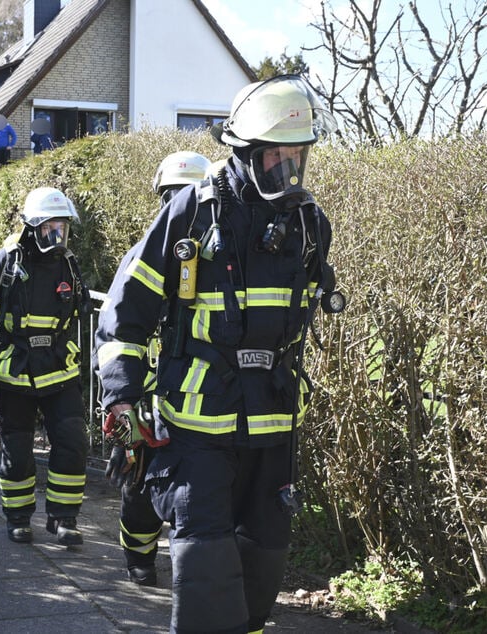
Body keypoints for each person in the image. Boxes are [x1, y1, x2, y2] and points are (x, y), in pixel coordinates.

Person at [93, 74, 341, 633]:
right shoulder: (191, 214)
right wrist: (123, 400)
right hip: (197, 429)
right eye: (275, 157)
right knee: (205, 571)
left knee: (262, 568)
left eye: (296, 158)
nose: (288, 171)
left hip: (273, 427)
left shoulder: (309, 225)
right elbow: (124, 316)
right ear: (244, 152)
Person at [102, 150, 211, 587]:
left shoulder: (223, 258)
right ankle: (139, 558)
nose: (179, 207)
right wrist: (121, 398)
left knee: (196, 489)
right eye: (172, 197)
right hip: (146, 397)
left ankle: (197, 569)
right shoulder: (141, 256)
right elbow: (116, 328)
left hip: (197, 395)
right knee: (137, 482)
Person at [0, 186, 92, 546]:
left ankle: (64, 518)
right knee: (17, 453)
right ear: (32, 228)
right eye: (49, 228)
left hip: (59, 370)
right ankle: (18, 518)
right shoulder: (4, 263)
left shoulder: (68, 263)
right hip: (14, 373)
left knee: (73, 442)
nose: (57, 236)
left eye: (62, 228)